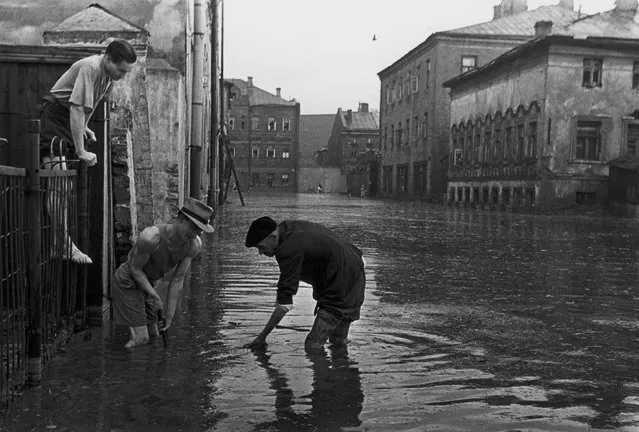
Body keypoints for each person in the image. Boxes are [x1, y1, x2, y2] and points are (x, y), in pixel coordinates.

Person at [40, 39, 137, 264]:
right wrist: (82, 151)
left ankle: (61, 242)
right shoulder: (91, 67)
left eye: (126, 72)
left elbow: (87, 108)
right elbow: (75, 108)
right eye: (121, 70)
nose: (123, 75)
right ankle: (62, 243)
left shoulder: (108, 77)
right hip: (55, 118)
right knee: (59, 183)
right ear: (108, 58)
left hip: (67, 120)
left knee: (64, 187)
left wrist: (83, 127)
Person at [244, 216, 366, 352]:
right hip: (354, 270)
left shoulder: (288, 249)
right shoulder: (287, 228)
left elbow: (284, 304)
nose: (261, 253)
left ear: (273, 237)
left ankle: (332, 370)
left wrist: (261, 337)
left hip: (340, 285)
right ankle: (340, 370)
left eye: (260, 247)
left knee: (313, 345)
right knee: (337, 341)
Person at [111, 198, 214, 348]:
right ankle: (121, 366)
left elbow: (178, 280)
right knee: (141, 339)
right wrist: (154, 295)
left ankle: (146, 368)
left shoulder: (194, 245)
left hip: (149, 285)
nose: (195, 233)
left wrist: (170, 317)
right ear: (181, 219)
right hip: (128, 282)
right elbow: (135, 269)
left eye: (200, 230)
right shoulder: (151, 237)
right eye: (193, 227)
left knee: (154, 336)